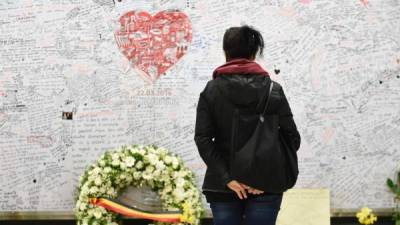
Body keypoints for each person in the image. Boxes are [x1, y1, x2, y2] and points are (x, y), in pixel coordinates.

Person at [194, 25, 301, 225]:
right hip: (266, 186)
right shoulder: (273, 89)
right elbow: (292, 138)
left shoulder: (212, 90)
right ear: (253, 53)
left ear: (226, 52)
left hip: (223, 185)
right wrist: (262, 176)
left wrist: (228, 178)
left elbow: (203, 139)